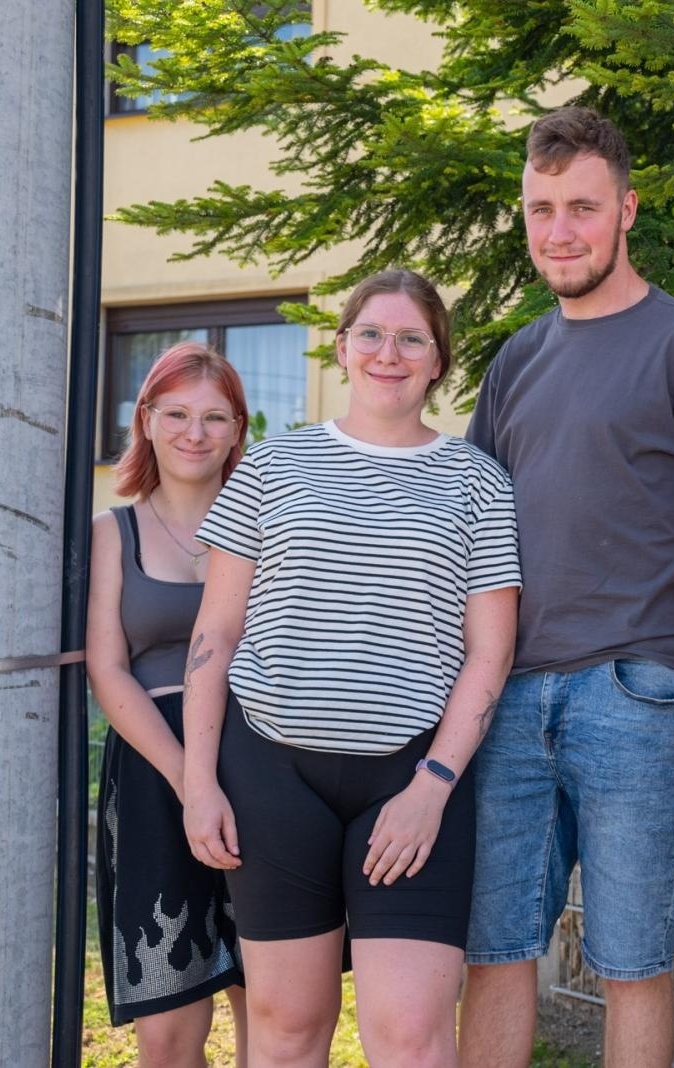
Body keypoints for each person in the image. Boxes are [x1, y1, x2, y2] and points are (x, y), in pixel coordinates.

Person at [458, 106, 674, 1068]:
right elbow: (473, 538)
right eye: (541, 209)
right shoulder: (516, 359)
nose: (560, 231)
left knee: (634, 965)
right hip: (511, 701)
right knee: (494, 952)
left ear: (626, 211)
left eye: (583, 208)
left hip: (638, 699)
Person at [181, 268, 520, 1068]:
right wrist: (199, 782)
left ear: (438, 361)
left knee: (411, 1037)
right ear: (341, 348)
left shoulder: (478, 481)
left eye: (411, 339)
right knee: (287, 1030)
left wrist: (433, 787)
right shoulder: (272, 466)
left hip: (410, 781)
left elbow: (490, 651)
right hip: (271, 774)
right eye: (370, 333)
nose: (387, 353)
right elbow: (216, 632)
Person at [86, 340, 250, 1067]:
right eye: (177, 413)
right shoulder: (112, 532)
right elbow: (108, 670)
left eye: (214, 417)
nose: (195, 433)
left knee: (272, 1004)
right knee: (169, 1026)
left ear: (239, 430)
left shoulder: (267, 527)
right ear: (146, 420)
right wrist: (192, 781)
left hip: (260, 765)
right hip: (156, 774)